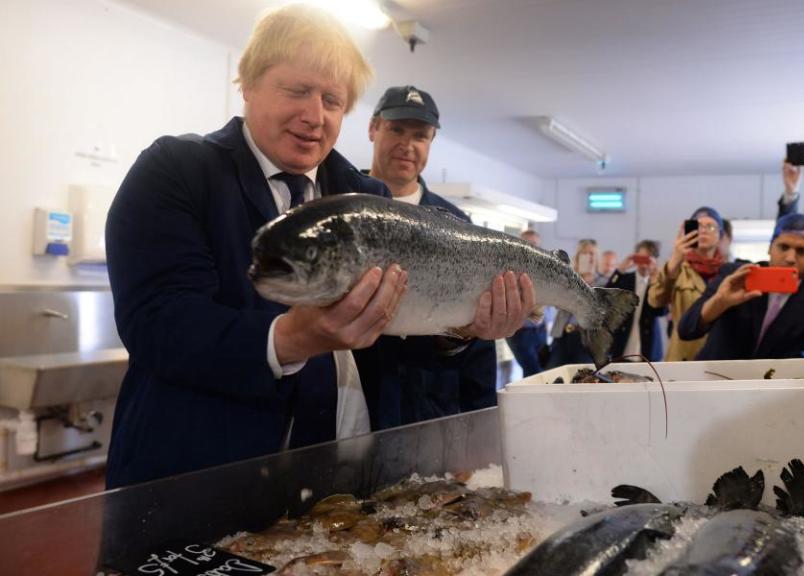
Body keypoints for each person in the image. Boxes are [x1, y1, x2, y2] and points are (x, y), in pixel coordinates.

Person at [104, 6, 532, 488]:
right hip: (202, 476)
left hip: (350, 475)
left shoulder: (369, 198)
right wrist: (291, 338)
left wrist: (461, 330)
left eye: (332, 99)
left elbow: (398, 338)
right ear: (247, 83)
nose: (314, 116)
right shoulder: (178, 171)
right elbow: (158, 323)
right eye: (296, 90)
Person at [356, 85, 499, 426]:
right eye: (397, 130)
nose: (407, 145)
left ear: (432, 141)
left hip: (429, 413)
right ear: (373, 128)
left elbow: (479, 341)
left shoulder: (455, 225)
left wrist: (479, 424)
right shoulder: (345, 209)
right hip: (348, 408)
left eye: (420, 135)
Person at [678, 215, 804, 360]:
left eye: (802, 251)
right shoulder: (735, 276)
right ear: (770, 248)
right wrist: (720, 301)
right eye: (783, 247)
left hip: (772, 387)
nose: (790, 258)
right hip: (714, 380)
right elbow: (686, 330)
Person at [648, 207, 726, 361]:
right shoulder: (676, 269)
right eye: (698, 226)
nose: (703, 230)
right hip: (683, 357)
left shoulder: (728, 272)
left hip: (719, 357)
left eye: (710, 226)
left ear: (720, 235)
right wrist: (674, 262)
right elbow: (655, 301)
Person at [606, 240, 667, 362]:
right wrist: (620, 269)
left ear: (654, 260)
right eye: (641, 258)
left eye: (647, 259)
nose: (643, 264)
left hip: (648, 345)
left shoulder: (657, 283)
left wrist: (656, 279)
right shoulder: (625, 279)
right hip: (623, 343)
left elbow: (661, 311)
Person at [547, 239, 602, 367]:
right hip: (562, 335)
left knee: (582, 378)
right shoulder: (566, 278)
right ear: (577, 257)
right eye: (584, 254)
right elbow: (556, 303)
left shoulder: (605, 281)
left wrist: (588, 282)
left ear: (597, 258)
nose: (588, 258)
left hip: (587, 339)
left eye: (591, 254)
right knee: (553, 375)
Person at [506, 229, 549, 377]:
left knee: (541, 370)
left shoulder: (544, 269)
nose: (530, 247)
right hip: (520, 331)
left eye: (534, 244)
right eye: (526, 243)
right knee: (534, 373)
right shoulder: (509, 268)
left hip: (540, 329)